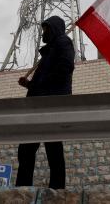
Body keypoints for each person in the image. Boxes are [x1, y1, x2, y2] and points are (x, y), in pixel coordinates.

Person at [16, 16, 75, 189]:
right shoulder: (49, 51)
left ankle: (56, 190)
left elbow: (65, 69)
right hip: (39, 105)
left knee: (53, 148)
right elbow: (43, 80)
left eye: (46, 29)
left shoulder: (63, 43)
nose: (44, 32)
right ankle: (23, 189)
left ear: (54, 28)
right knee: (27, 149)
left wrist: (38, 86)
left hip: (51, 105)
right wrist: (29, 84)